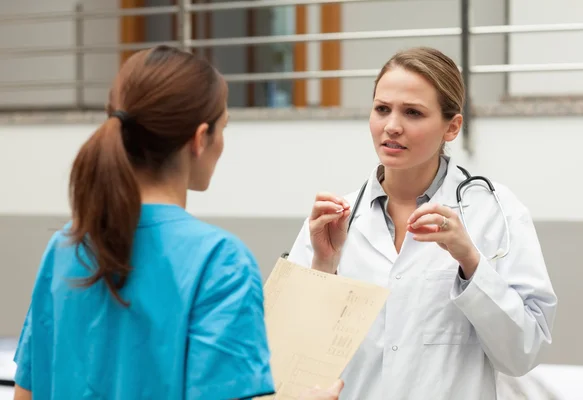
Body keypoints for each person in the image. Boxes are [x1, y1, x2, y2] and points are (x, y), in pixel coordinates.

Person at [12, 45, 343, 400]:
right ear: (201, 139)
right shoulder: (219, 262)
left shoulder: (66, 246)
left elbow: (25, 394)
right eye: (224, 128)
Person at [287, 47, 557, 400]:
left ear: (452, 127)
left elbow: (523, 354)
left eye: (413, 112)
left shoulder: (494, 212)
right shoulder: (333, 220)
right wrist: (324, 266)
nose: (392, 126)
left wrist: (471, 263)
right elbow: (293, 353)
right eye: (382, 109)